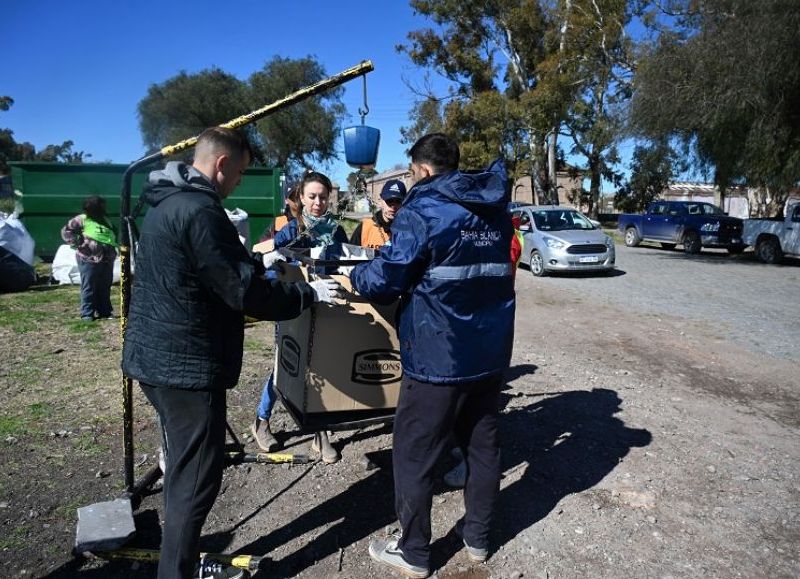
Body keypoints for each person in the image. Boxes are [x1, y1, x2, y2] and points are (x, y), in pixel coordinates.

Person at [122, 127, 343, 579]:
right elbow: (242, 292)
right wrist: (306, 294)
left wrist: (255, 264)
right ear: (221, 165)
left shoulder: (169, 203)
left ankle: (179, 563)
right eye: (239, 173)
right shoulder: (201, 210)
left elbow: (209, 270)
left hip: (157, 358)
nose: (239, 182)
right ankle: (177, 572)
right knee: (196, 481)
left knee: (186, 470)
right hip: (185, 366)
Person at [351, 133, 515, 578]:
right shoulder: (496, 211)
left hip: (437, 357)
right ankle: (478, 537)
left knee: (412, 455)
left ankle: (415, 552)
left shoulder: (422, 209)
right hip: (488, 353)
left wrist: (356, 278)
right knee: (482, 447)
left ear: (420, 170)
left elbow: (387, 278)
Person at [252, 170, 347, 464]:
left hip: (327, 305)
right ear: (302, 199)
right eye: (312, 197)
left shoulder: (337, 231)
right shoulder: (291, 231)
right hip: (294, 307)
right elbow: (272, 271)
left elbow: (345, 264)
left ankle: (320, 432)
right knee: (287, 363)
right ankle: (261, 419)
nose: (318, 202)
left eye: (323, 197)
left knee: (324, 366)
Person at [61, 195, 117, 320]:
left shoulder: (105, 220)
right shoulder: (82, 219)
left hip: (107, 258)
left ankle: (105, 311)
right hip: (88, 257)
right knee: (89, 285)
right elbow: (66, 231)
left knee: (105, 285)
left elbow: (113, 233)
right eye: (101, 206)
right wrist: (76, 243)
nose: (104, 208)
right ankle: (87, 313)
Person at [349, 179, 407, 249]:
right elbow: (350, 256)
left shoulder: (409, 230)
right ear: (380, 201)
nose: (393, 206)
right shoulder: (365, 227)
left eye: (398, 201)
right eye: (389, 201)